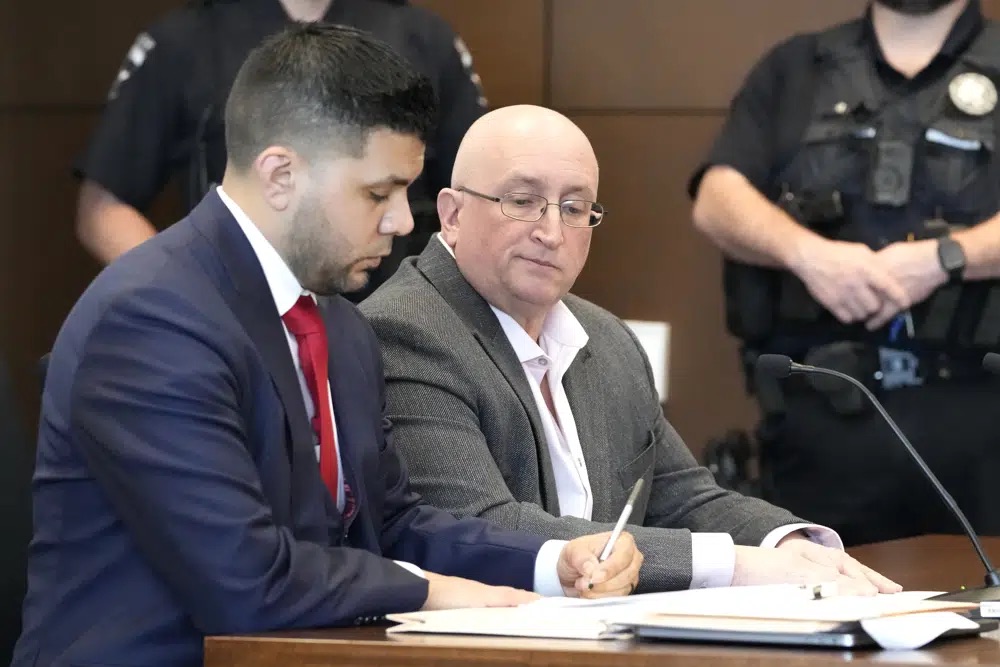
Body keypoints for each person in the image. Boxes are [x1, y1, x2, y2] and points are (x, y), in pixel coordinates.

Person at [11, 25, 642, 667]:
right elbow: (245, 578)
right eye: (378, 193)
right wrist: (431, 592)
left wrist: (549, 563)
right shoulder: (151, 321)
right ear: (281, 175)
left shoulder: (339, 324)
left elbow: (391, 523)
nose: (402, 221)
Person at [359, 104, 901, 595]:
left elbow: (681, 496)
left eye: (575, 208)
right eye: (523, 202)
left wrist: (787, 545)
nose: (553, 232)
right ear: (453, 214)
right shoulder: (407, 330)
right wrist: (735, 566)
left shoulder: (607, 338)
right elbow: (480, 527)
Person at [689, 0, 1000, 546]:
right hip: (823, 426)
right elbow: (717, 200)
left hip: (982, 429)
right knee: (815, 591)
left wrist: (945, 259)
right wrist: (811, 256)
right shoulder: (796, 68)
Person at [73, 0, 486, 301]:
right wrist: (189, 293)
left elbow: (476, 199)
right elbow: (104, 205)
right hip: (235, 300)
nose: (401, 221)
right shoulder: (186, 39)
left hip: (388, 306)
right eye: (377, 193)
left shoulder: (422, 35)